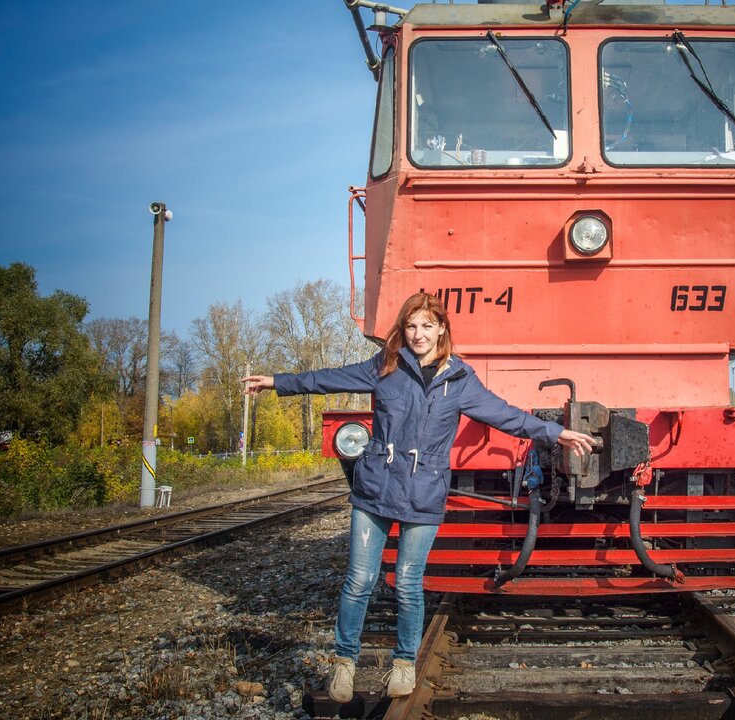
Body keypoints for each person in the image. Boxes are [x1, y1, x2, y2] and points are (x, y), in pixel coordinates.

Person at [242, 292, 594, 702]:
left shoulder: (460, 380)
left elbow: (507, 415)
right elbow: (328, 378)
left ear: (442, 328)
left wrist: (557, 432)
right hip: (375, 487)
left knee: (409, 584)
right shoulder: (386, 366)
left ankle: (404, 664)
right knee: (359, 580)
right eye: (412, 326)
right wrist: (276, 382)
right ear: (403, 330)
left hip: (423, 494)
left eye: (427, 326)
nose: (419, 334)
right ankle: (344, 663)